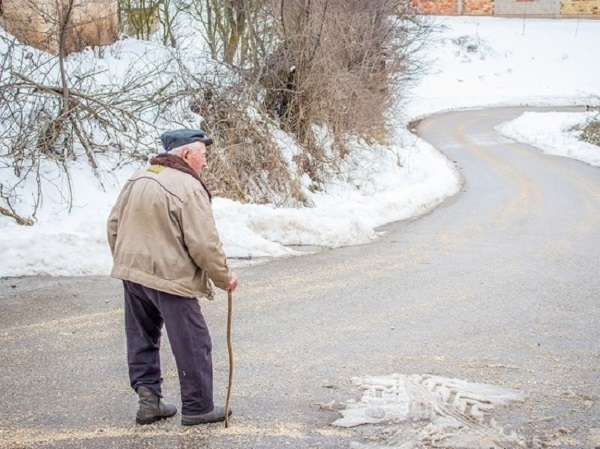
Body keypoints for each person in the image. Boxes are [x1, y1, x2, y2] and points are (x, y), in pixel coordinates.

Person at [107, 129, 238, 426]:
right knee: (194, 340)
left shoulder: (138, 177)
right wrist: (224, 277)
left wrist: (126, 260)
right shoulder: (188, 187)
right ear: (186, 155)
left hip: (133, 272)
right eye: (202, 156)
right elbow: (204, 243)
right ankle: (198, 407)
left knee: (142, 337)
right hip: (169, 276)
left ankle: (149, 403)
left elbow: (113, 223)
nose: (205, 164)